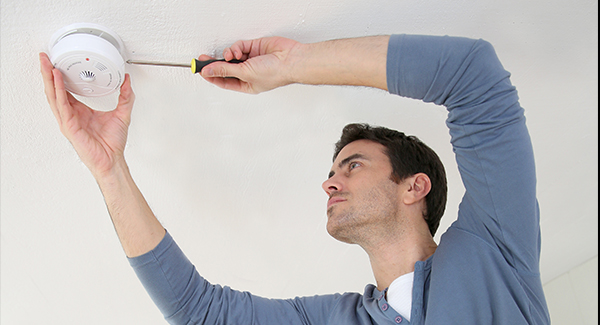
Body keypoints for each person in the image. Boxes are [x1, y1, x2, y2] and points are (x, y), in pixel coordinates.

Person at [40, 33, 550, 324]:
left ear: (415, 186)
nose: (328, 184)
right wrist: (109, 169)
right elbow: (199, 312)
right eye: (332, 171)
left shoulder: (494, 252)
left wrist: (291, 65)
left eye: (352, 165)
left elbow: (473, 75)